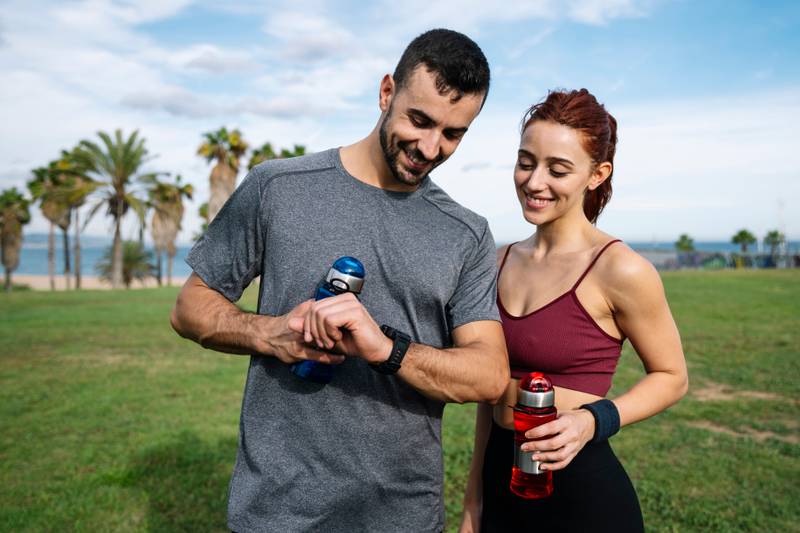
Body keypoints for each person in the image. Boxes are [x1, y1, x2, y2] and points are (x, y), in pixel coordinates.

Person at [170, 29, 509, 533]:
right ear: (387, 92)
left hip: (404, 516)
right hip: (279, 511)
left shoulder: (467, 234)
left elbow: (489, 374)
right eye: (420, 120)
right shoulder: (279, 188)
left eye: (454, 133)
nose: (430, 147)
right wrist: (273, 333)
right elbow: (190, 308)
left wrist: (388, 350)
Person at [459, 89, 689, 533]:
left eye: (558, 169)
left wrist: (592, 421)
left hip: (584, 496)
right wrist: (474, 500)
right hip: (503, 485)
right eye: (526, 162)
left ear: (597, 174)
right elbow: (490, 397)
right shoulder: (497, 261)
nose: (534, 181)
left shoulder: (621, 269)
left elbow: (672, 377)